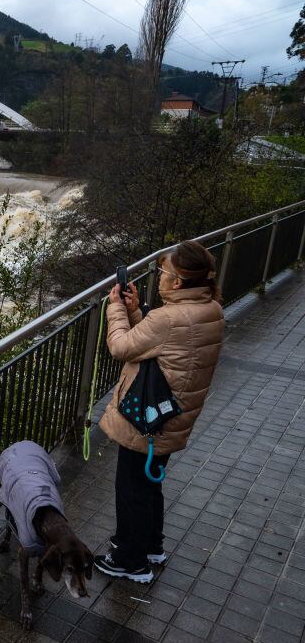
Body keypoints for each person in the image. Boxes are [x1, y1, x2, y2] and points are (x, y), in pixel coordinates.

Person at [93, 240, 225, 582]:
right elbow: (162, 347)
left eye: (162, 271)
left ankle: (129, 560)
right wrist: (137, 311)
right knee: (149, 484)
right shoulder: (210, 308)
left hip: (148, 419)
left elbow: (122, 347)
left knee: (132, 488)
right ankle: (151, 546)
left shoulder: (170, 318)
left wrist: (117, 309)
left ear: (178, 282)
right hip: (174, 414)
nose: (159, 276)